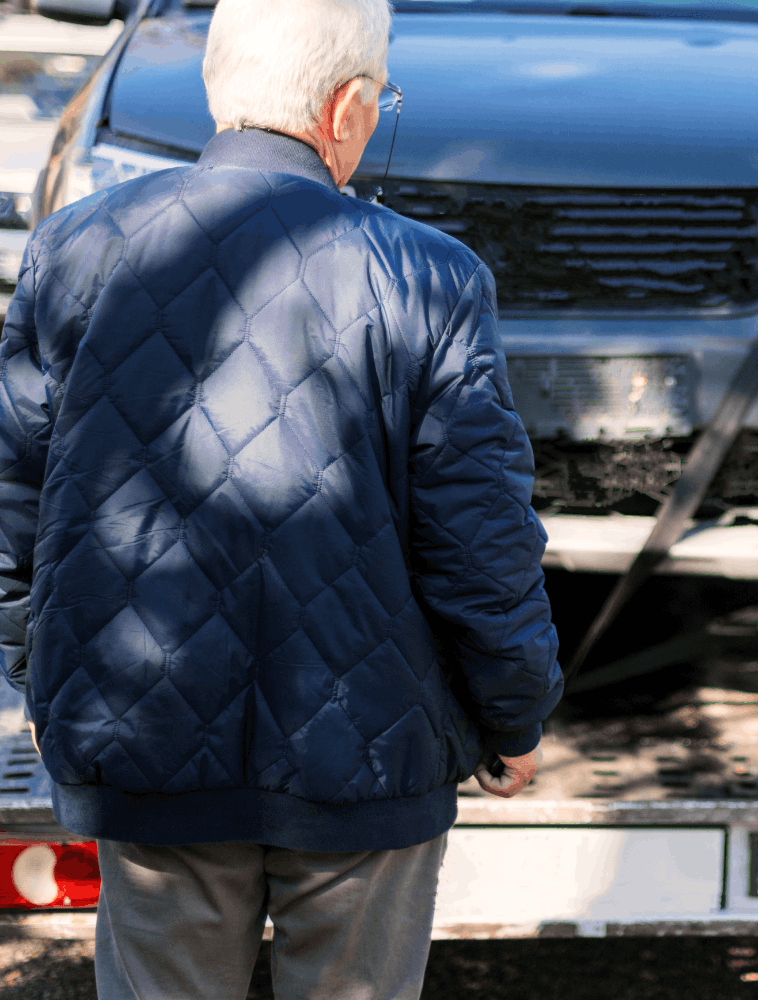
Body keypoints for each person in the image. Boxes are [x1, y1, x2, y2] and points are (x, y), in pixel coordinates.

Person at [0, 0, 563, 996]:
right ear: (347, 108)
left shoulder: (74, 250)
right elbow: (480, 542)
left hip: (143, 747)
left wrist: (42, 679)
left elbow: (14, 501)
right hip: (368, 763)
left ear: (221, 89)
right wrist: (513, 714)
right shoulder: (429, 277)